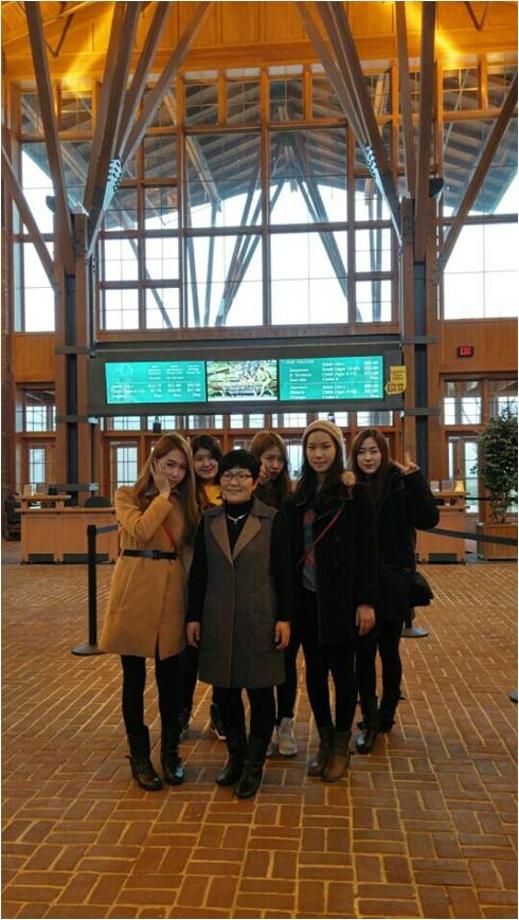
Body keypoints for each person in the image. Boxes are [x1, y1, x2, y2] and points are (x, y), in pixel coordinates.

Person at [186, 449, 292, 799]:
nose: (234, 482)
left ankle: (254, 764)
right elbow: (199, 573)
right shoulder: (209, 520)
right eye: (228, 475)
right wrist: (193, 616)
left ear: (254, 480)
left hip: (260, 617)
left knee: (261, 692)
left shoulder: (272, 520)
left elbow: (284, 573)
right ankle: (236, 756)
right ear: (220, 481)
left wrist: (285, 617)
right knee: (225, 691)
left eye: (242, 476)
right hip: (217, 619)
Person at [100, 433, 198, 791]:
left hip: (171, 590)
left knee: (170, 677)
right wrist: (162, 496)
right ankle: (139, 754)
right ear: (154, 462)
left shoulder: (187, 504)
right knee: (134, 678)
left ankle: (170, 752)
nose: (175, 473)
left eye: (181, 468)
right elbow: (140, 531)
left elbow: (189, 550)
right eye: (169, 464)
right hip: (134, 589)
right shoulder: (127, 495)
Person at [286, 419, 378, 782]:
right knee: (315, 672)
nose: (318, 454)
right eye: (312, 447)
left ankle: (341, 746)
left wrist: (366, 601)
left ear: (337, 450)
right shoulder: (298, 496)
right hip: (307, 599)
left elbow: (368, 551)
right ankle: (325, 741)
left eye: (325, 447)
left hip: (342, 599)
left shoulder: (354, 495)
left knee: (343, 672)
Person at [349, 429, 439, 753]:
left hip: (393, 582)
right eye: (362, 452)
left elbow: (428, 518)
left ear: (383, 453)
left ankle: (386, 714)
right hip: (360, 581)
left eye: (373, 451)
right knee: (363, 653)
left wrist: (417, 480)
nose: (368, 458)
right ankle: (369, 718)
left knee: (388, 649)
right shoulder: (350, 487)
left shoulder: (400, 484)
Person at [249, 431, 299, 758]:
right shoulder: (246, 494)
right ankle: (264, 726)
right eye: (269, 458)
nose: (275, 465)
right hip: (256, 588)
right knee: (262, 659)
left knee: (287, 659)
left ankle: (286, 722)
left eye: (280, 459)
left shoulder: (290, 496)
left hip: (288, 584)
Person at [179, 435, 226, 742]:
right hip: (189, 582)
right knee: (187, 653)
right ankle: (181, 711)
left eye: (211, 457)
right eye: (199, 458)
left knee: (222, 652)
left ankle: (220, 711)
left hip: (223, 584)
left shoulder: (230, 489)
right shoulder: (184, 494)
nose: (206, 464)